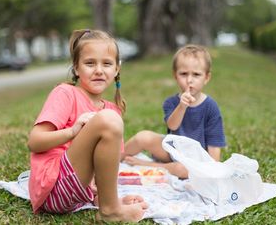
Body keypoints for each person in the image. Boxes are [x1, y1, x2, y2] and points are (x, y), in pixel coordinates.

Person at [27, 29, 147, 222]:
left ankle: (109, 205)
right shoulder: (65, 93)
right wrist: (72, 131)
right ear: (76, 68)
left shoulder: (112, 111)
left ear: (117, 69)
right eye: (90, 63)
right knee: (107, 119)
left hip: (79, 195)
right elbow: (34, 142)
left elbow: (105, 166)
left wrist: (106, 197)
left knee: (109, 117)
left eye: (107, 63)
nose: (99, 70)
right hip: (53, 191)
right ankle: (110, 212)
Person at [122, 44, 226, 179]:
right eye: (183, 74)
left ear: (206, 78)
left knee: (183, 170)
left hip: (194, 160)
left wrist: (212, 168)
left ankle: (148, 164)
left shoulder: (211, 107)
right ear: (175, 76)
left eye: (196, 74)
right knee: (143, 136)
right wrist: (182, 106)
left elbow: (214, 144)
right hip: (171, 150)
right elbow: (173, 125)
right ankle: (111, 160)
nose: (189, 80)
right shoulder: (171, 102)